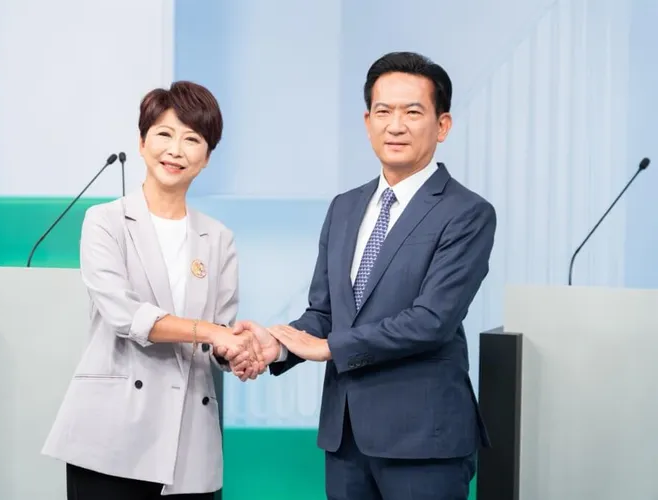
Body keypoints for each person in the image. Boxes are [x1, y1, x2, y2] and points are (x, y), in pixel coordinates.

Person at [233, 52, 497, 500]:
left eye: (412, 112)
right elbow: (324, 313)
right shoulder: (345, 207)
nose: (396, 126)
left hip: (423, 442)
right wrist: (277, 345)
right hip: (346, 438)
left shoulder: (466, 212)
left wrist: (329, 347)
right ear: (367, 121)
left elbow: (432, 321)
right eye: (383, 111)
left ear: (443, 125)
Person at [41, 81, 262, 499]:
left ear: (206, 158)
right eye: (164, 134)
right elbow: (124, 315)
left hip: (189, 437)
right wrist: (211, 332)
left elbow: (219, 332)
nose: (176, 150)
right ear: (142, 144)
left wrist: (236, 353)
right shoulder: (105, 221)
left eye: (192, 139)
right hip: (112, 434)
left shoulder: (218, 238)